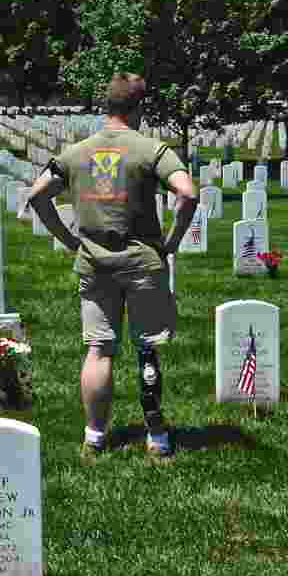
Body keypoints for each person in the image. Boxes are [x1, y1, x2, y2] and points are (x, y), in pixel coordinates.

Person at [26, 72, 198, 459]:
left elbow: (37, 197)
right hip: (142, 262)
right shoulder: (153, 150)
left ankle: (95, 436)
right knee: (147, 348)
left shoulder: (75, 153)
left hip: (94, 264)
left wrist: (70, 240)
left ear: (106, 106)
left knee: (99, 350)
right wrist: (170, 243)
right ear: (139, 107)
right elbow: (187, 194)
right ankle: (156, 435)